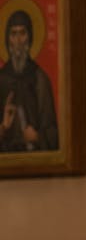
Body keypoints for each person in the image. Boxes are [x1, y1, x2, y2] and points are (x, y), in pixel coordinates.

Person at [0, 9, 58, 152]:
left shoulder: (40, 79)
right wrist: (4, 127)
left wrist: (37, 137)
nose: (18, 41)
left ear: (30, 37)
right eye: (13, 34)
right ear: (8, 39)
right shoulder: (1, 79)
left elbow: (53, 133)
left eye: (22, 33)